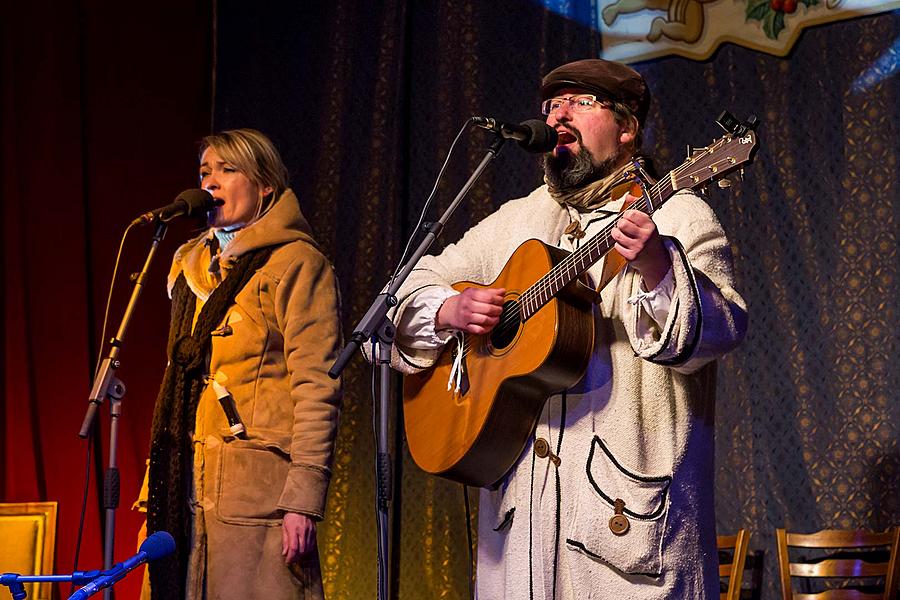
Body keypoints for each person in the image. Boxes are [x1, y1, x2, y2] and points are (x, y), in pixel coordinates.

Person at [389, 59, 747, 598]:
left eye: (579, 102)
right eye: (551, 105)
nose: (558, 116)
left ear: (627, 129)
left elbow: (723, 328)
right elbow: (406, 290)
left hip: (626, 536)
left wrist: (656, 264)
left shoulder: (679, 216)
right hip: (519, 542)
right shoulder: (517, 220)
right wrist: (448, 311)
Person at [136, 128, 342, 600]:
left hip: (256, 495)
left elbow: (318, 386)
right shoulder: (188, 265)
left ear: (264, 183)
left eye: (228, 170)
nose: (211, 183)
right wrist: (155, 486)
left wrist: (304, 503)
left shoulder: (297, 264)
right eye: (206, 172)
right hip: (181, 485)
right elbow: (177, 378)